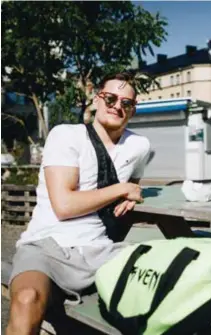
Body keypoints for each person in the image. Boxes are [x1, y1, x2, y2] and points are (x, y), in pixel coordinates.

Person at [6, 72, 151, 335]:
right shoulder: (66, 135)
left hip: (101, 250)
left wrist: (132, 193)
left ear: (133, 110)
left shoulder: (139, 145)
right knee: (26, 298)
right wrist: (121, 189)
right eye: (110, 98)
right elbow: (65, 205)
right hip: (47, 245)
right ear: (97, 99)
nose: (118, 106)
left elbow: (134, 182)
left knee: (160, 287)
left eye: (126, 103)